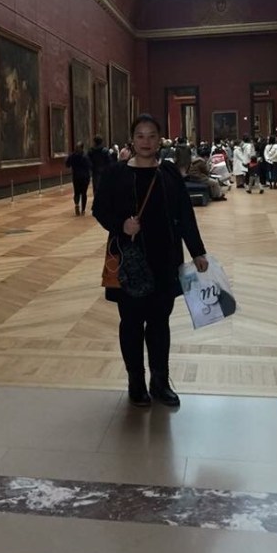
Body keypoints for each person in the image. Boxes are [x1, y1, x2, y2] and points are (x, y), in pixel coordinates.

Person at [93, 114, 208, 408]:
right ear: (132, 139)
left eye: (152, 135)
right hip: (129, 260)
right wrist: (121, 225)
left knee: (159, 323)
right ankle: (136, 382)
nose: (146, 141)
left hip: (164, 260)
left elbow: (185, 214)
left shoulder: (168, 173)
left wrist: (197, 251)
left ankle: (160, 382)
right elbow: (100, 209)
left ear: (159, 140)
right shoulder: (115, 174)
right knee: (131, 323)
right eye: (140, 136)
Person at [65, 142, 91, 216]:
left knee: (77, 192)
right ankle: (83, 210)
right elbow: (89, 165)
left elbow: (67, 164)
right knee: (84, 193)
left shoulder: (72, 156)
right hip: (85, 177)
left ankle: (77, 205)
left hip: (76, 176)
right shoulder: (85, 156)